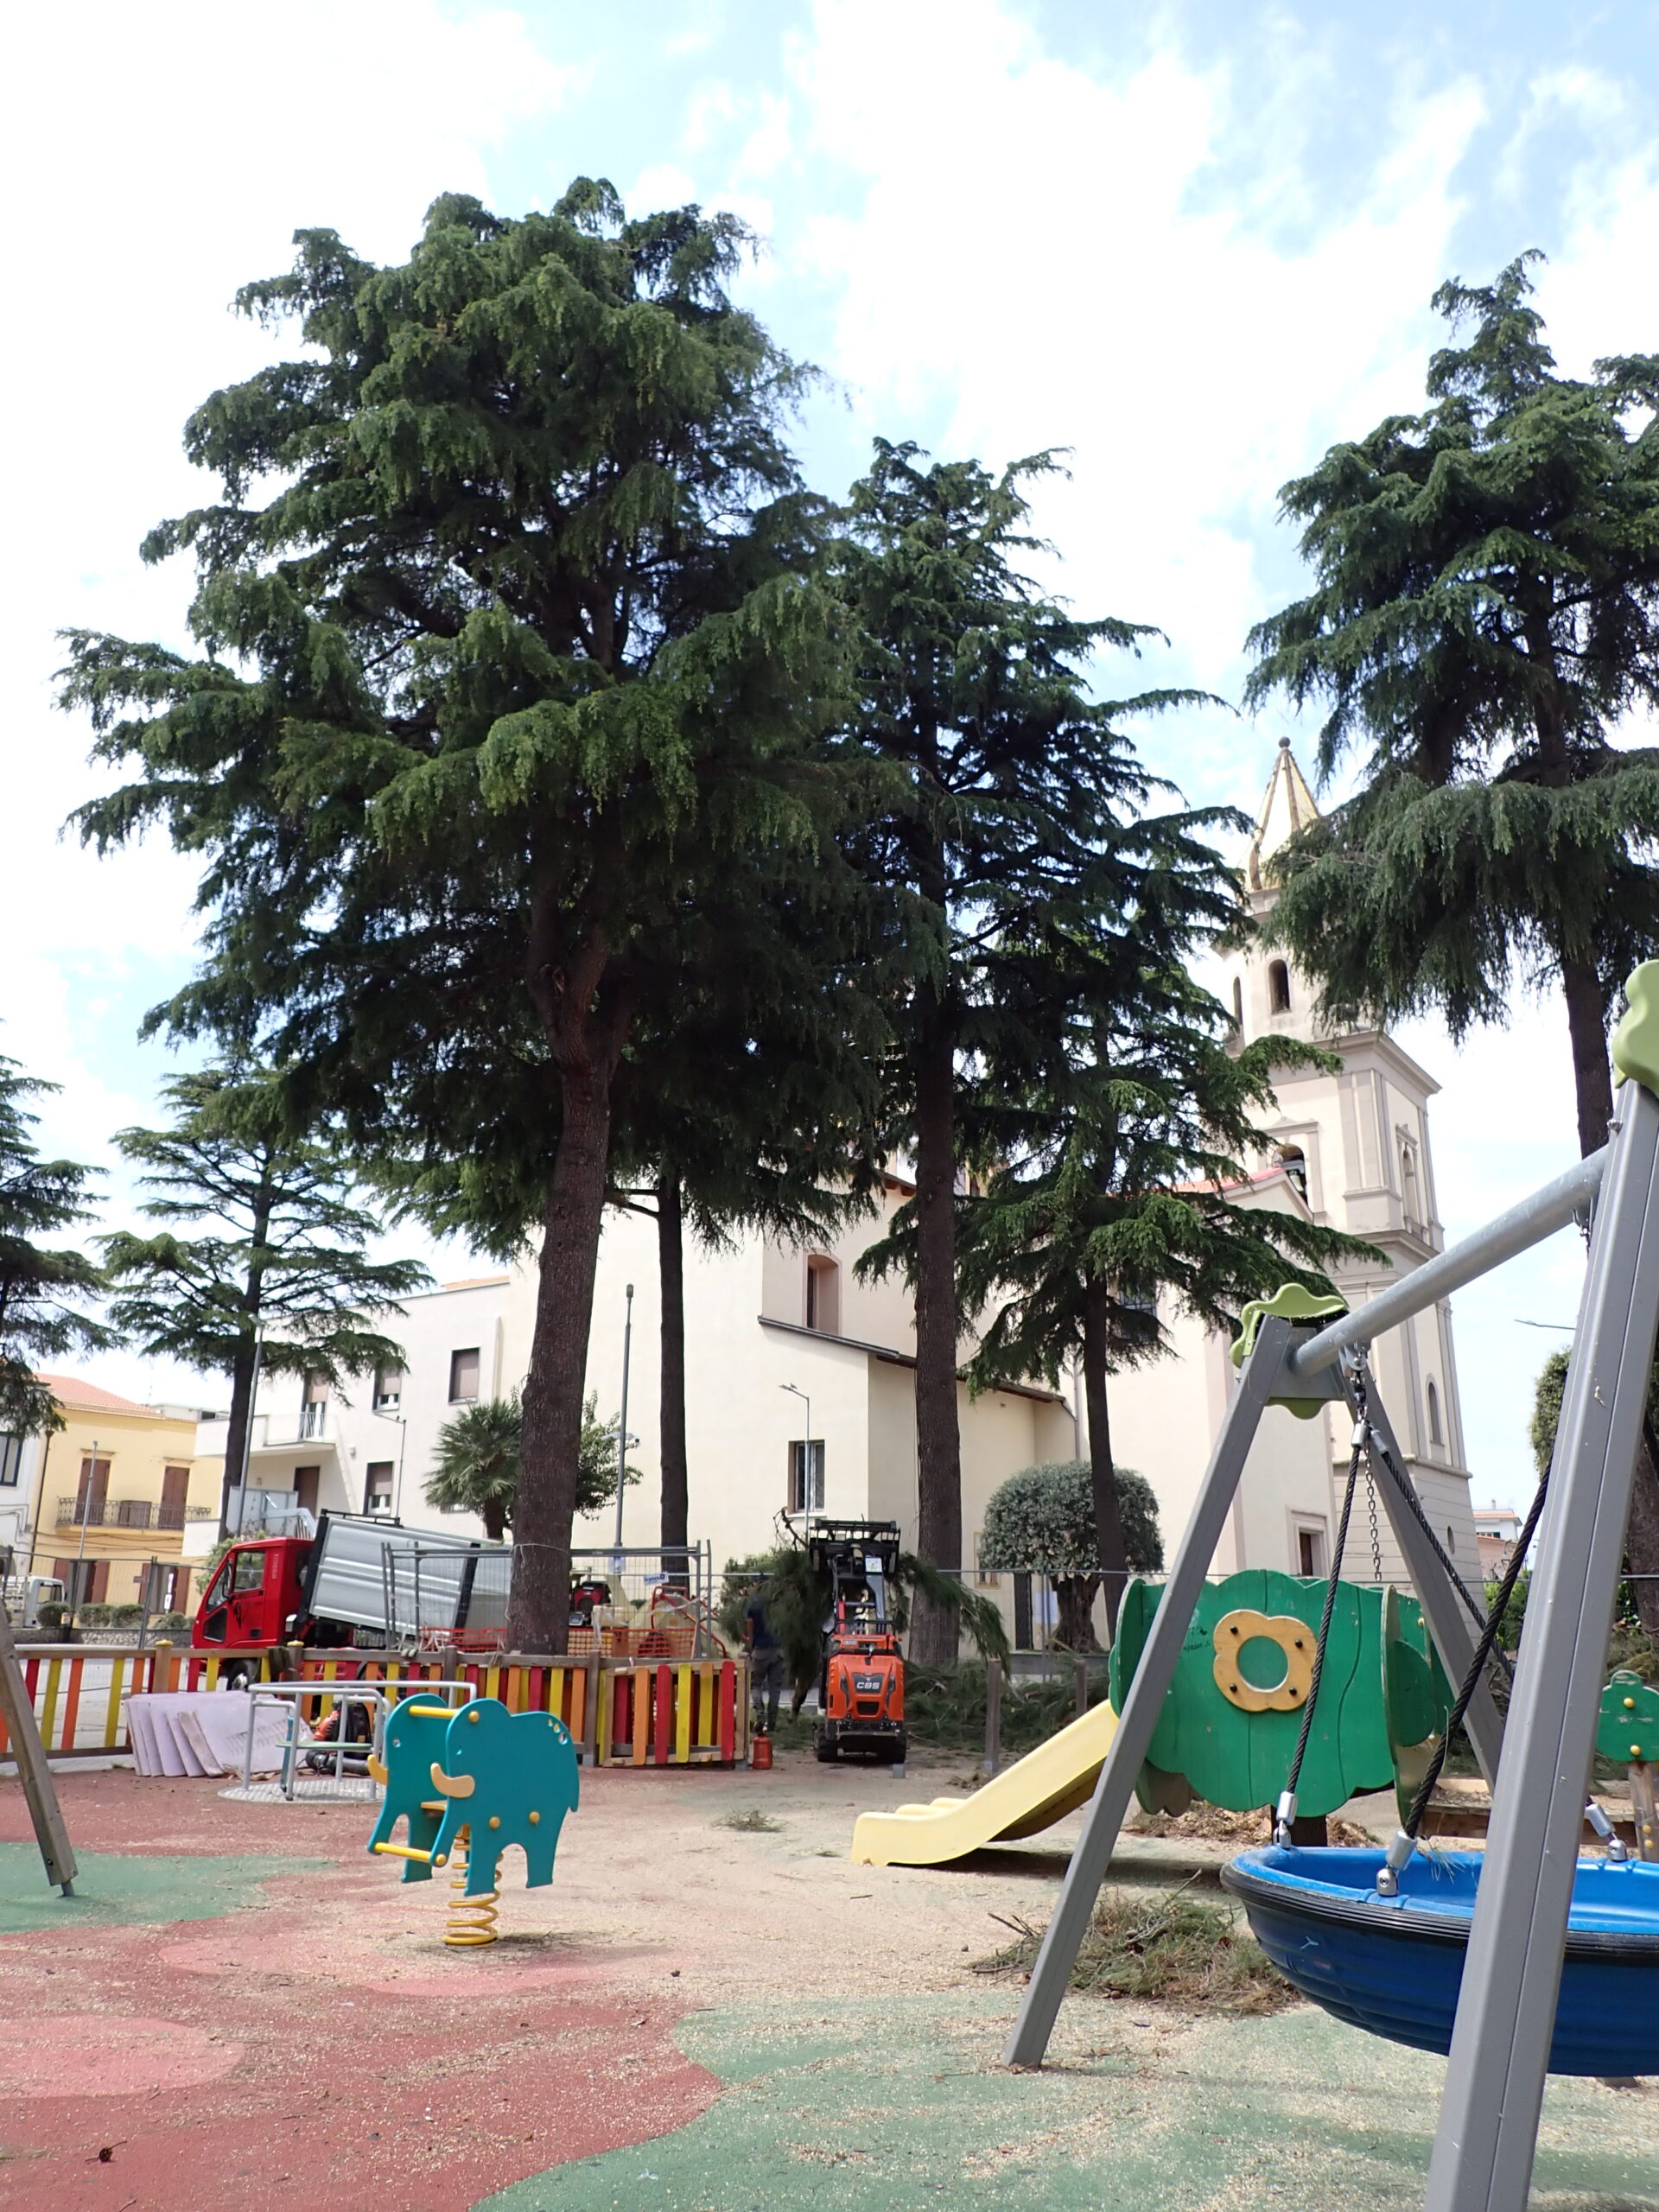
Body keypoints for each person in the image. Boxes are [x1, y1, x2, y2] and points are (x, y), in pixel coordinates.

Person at [743, 1576, 785, 1736]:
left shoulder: (753, 1604)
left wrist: (750, 1643)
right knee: (775, 1688)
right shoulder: (776, 1603)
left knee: (755, 1684)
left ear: (756, 1585)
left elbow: (750, 1625)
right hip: (777, 1651)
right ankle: (772, 1723)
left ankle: (760, 1714)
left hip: (760, 1650)